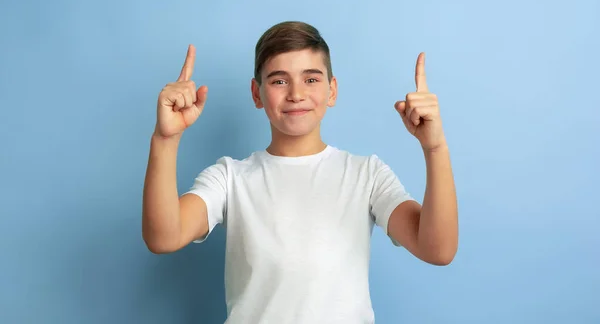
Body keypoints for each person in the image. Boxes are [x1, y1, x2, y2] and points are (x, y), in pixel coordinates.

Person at [142, 21, 458, 323]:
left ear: (332, 91)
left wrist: (435, 148)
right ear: (256, 93)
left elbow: (439, 250)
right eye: (279, 80)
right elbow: (164, 237)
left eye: (311, 79)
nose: (296, 93)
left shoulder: (366, 174)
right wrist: (165, 139)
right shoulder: (230, 178)